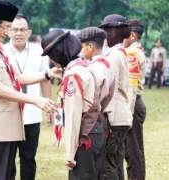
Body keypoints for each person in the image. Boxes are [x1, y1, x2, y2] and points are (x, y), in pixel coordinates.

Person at [0, 1, 60, 179]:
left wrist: (48, 74)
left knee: (3, 174)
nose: (8, 32)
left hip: (6, 125)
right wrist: (35, 100)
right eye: (7, 27)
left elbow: (16, 79)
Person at [41, 29, 103, 180]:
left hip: (84, 138)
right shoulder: (83, 66)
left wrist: (70, 154)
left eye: (51, 54)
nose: (51, 59)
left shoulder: (73, 75)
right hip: (95, 132)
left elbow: (73, 116)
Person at [3, 14, 52, 180]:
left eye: (22, 30)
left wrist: (49, 108)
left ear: (29, 32)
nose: (18, 33)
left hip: (32, 113)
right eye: (14, 29)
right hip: (8, 113)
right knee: (7, 160)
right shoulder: (1, 51)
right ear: (8, 31)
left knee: (28, 158)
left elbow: (45, 80)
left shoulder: (39, 52)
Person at [77, 27, 115, 179]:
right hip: (100, 123)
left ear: (90, 47)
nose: (80, 50)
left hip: (91, 124)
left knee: (85, 172)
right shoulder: (105, 65)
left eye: (82, 46)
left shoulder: (94, 69)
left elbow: (91, 101)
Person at [99, 14, 133, 180]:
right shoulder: (120, 53)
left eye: (105, 31)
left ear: (113, 32)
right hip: (122, 116)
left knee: (108, 165)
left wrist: (106, 118)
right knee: (116, 163)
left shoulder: (113, 56)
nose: (103, 35)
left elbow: (109, 90)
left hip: (114, 118)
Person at [122, 19, 147, 180]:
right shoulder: (135, 50)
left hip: (131, 104)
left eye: (123, 34)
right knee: (133, 149)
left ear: (131, 35)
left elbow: (131, 86)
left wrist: (127, 113)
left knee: (133, 152)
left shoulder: (132, 53)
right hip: (133, 103)